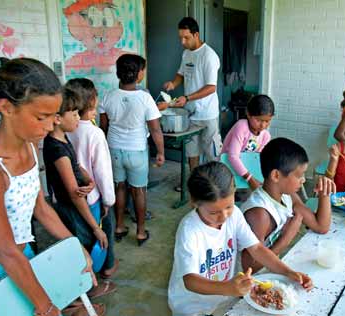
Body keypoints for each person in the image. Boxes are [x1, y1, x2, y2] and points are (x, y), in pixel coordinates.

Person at [0, 57, 101, 315]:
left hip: (24, 255)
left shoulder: (29, 146)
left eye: (54, 116)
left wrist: (76, 246)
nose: (52, 124)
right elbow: (5, 250)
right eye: (42, 116)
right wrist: (46, 306)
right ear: (6, 108)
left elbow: (40, 207)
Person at [168, 161, 313, 316]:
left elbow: (256, 248)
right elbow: (190, 280)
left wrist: (288, 272)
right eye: (213, 212)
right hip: (192, 305)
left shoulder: (235, 215)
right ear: (194, 202)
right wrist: (228, 288)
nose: (224, 216)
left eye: (229, 206)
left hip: (223, 298)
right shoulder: (189, 230)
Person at [43, 88, 116, 302]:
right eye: (74, 114)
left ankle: (87, 287)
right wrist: (95, 226)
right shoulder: (56, 149)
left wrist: (89, 179)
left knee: (85, 246)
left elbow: (76, 165)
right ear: (57, 119)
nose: (79, 117)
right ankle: (83, 292)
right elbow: (75, 195)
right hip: (73, 208)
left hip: (74, 204)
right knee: (81, 249)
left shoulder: (63, 138)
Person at [240, 138, 336, 273]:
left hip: (275, 268)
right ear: (276, 175)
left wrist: (324, 193)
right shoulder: (259, 214)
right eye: (299, 175)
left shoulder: (287, 195)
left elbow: (321, 227)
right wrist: (287, 237)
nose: (303, 180)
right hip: (255, 281)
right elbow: (249, 268)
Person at [99, 54, 164, 245]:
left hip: (114, 150)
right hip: (136, 151)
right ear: (138, 74)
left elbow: (104, 127)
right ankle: (141, 232)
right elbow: (155, 129)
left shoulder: (108, 96)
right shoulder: (145, 98)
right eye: (142, 69)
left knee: (120, 187)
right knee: (139, 191)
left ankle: (119, 226)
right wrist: (160, 152)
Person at [66, 78, 119, 279]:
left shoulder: (63, 129)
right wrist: (108, 200)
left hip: (71, 198)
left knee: (79, 235)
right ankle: (104, 268)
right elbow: (102, 172)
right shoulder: (94, 133)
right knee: (101, 234)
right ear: (90, 102)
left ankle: (88, 272)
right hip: (92, 198)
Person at [163, 17, 221, 171]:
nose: (182, 42)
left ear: (196, 35)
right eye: (180, 38)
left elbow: (211, 87)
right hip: (190, 113)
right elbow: (181, 74)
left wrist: (187, 98)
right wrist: (173, 83)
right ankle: (194, 182)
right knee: (191, 152)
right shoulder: (186, 54)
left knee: (212, 153)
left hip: (207, 114)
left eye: (186, 38)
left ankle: (217, 187)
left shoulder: (209, 56)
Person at [221, 95, 274, 190]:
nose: (263, 125)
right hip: (227, 170)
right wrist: (249, 179)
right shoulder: (241, 126)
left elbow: (258, 159)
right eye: (258, 120)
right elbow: (232, 156)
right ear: (248, 114)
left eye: (267, 121)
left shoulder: (265, 136)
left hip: (245, 174)